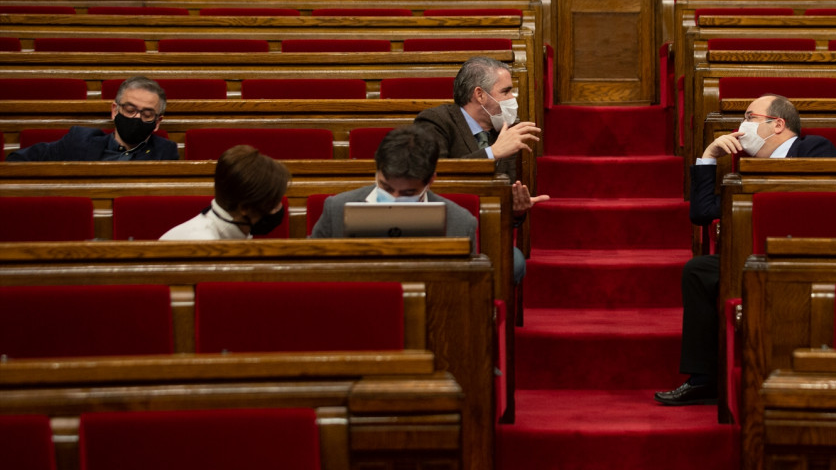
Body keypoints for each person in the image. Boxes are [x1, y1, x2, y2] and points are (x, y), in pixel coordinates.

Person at [655, 94, 836, 406]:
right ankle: (704, 379)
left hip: (806, 251)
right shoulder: (744, 169)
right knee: (699, 270)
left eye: (749, 118)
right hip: (754, 254)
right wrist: (709, 156)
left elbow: (824, 196)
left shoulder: (813, 147)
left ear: (777, 124)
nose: (741, 127)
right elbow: (702, 214)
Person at [414, 56, 548, 282]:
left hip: (488, 233)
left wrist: (516, 210)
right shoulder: (436, 121)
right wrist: (492, 153)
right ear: (479, 95)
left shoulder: (506, 131)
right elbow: (434, 177)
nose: (512, 99)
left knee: (512, 262)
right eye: (505, 92)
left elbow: (501, 200)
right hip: (443, 229)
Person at [309, 125, 477, 249]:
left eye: (408, 192)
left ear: (430, 181)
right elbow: (311, 269)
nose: (395, 198)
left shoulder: (460, 223)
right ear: (377, 172)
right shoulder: (337, 209)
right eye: (387, 188)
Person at [6, 76, 179, 162]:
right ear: (114, 110)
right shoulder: (79, 140)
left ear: (157, 122)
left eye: (147, 115)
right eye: (130, 109)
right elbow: (19, 163)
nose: (136, 118)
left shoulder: (165, 152)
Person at [160, 145, 291, 240]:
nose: (279, 207)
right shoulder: (203, 245)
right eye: (273, 203)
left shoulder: (236, 231)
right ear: (245, 208)